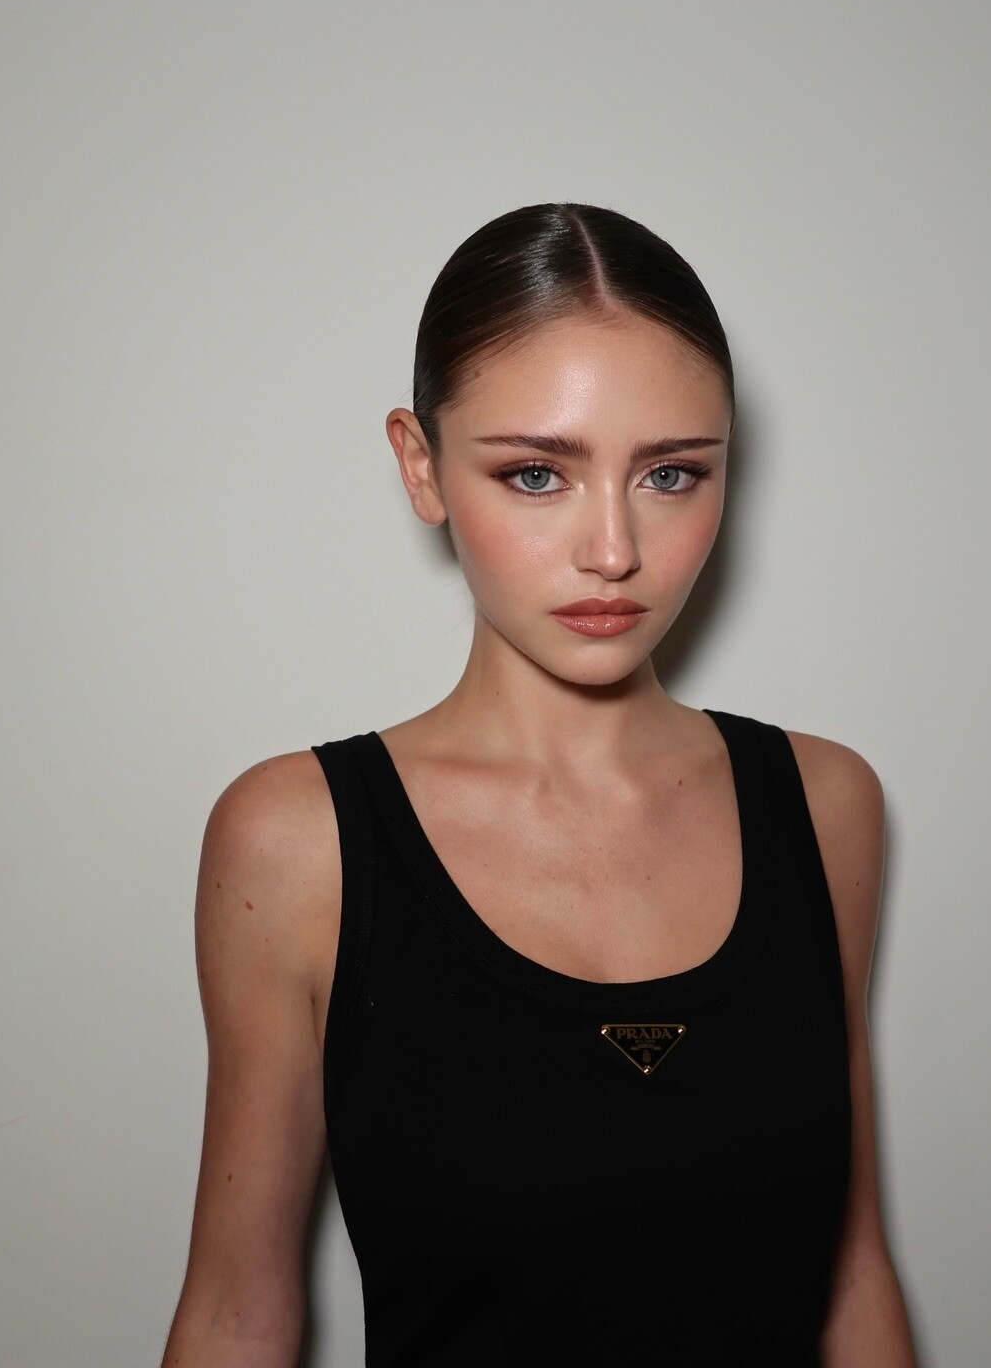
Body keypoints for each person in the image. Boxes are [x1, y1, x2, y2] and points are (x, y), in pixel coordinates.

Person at [160, 202, 919, 1367]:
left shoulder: (826, 807)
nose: (613, 550)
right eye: (534, 474)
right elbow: (237, 1314)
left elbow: (851, 1278)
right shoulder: (297, 841)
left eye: (671, 473)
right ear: (421, 466)